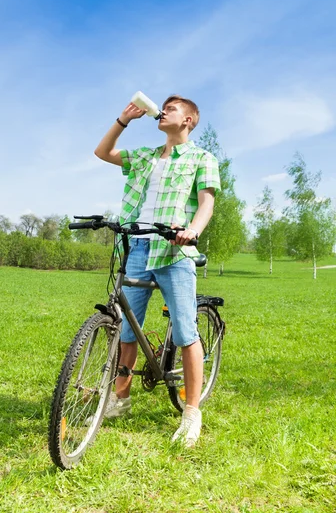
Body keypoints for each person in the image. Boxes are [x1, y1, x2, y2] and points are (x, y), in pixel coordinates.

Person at [94, 95, 221, 446]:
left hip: (174, 250)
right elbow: (103, 153)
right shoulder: (146, 157)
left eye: (173, 108)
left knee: (184, 331)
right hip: (138, 247)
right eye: (162, 107)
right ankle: (121, 398)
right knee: (127, 327)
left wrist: (192, 230)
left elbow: (206, 203)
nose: (164, 110)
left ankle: (192, 412)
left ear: (189, 120)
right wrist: (123, 120)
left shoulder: (201, 158)